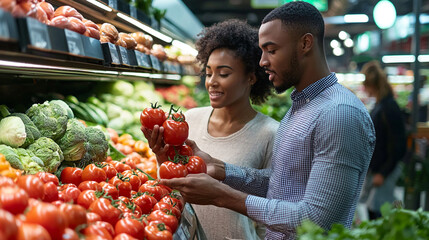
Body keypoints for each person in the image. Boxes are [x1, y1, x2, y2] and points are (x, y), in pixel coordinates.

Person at [150, 2, 375, 239]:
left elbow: (318, 219)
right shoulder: (301, 108)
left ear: (305, 44)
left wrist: (222, 196)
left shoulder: (339, 114)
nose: (262, 61)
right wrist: (223, 170)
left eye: (272, 50)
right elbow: (283, 185)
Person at [143, 19, 279, 239]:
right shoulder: (188, 120)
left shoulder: (270, 133)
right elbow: (174, 188)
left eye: (223, 74)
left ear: (251, 78)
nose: (212, 82)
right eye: (208, 73)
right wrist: (162, 157)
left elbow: (272, 211)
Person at [359, 60, 407, 220]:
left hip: (385, 170)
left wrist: (383, 172)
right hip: (378, 169)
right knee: (375, 209)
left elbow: (398, 145)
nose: (364, 89)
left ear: (371, 84)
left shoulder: (389, 107)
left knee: (379, 212)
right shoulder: (381, 104)